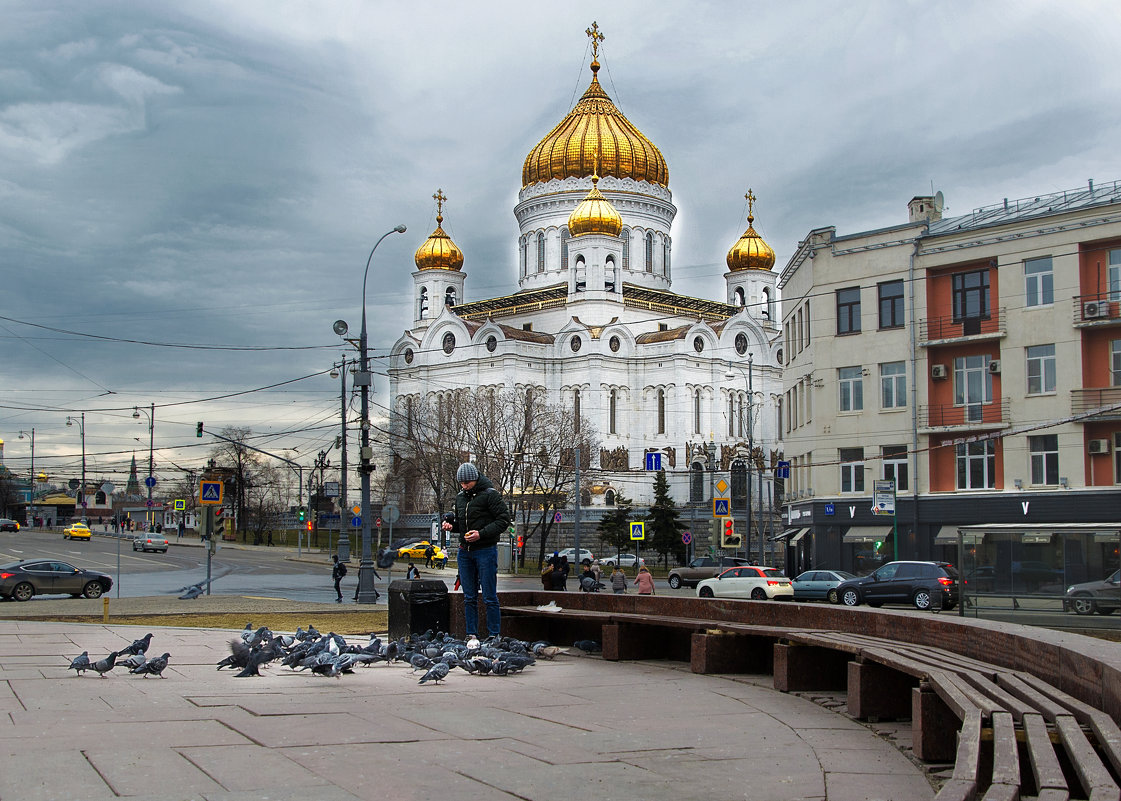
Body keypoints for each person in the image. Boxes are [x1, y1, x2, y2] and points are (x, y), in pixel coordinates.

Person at [441, 462, 511, 638]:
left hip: (485, 550)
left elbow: (503, 520)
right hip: (465, 552)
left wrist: (481, 534)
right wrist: (451, 526)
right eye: (462, 483)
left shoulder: (490, 495)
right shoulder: (460, 497)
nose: (464, 486)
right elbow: (462, 525)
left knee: (489, 596)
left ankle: (494, 634)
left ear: (476, 479)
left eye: (468, 483)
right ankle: (471, 634)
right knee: (469, 596)